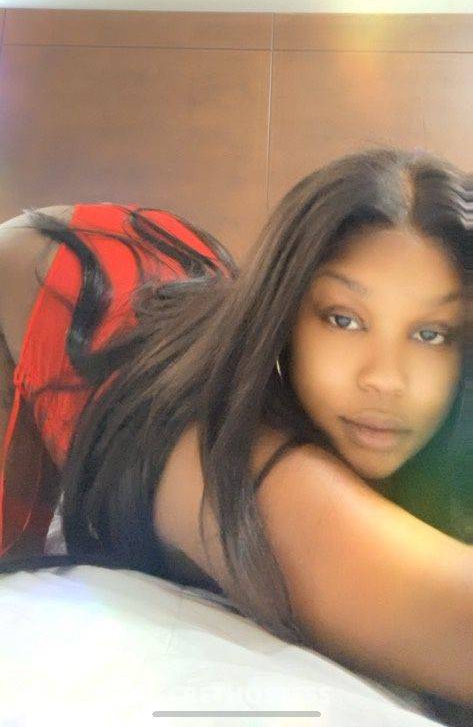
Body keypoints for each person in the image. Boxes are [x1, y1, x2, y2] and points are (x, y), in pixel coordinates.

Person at [0, 146, 472, 723]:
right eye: (343, 319)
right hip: (47, 272)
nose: (385, 380)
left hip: (178, 270)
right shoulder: (232, 457)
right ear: (283, 318)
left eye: (431, 333)